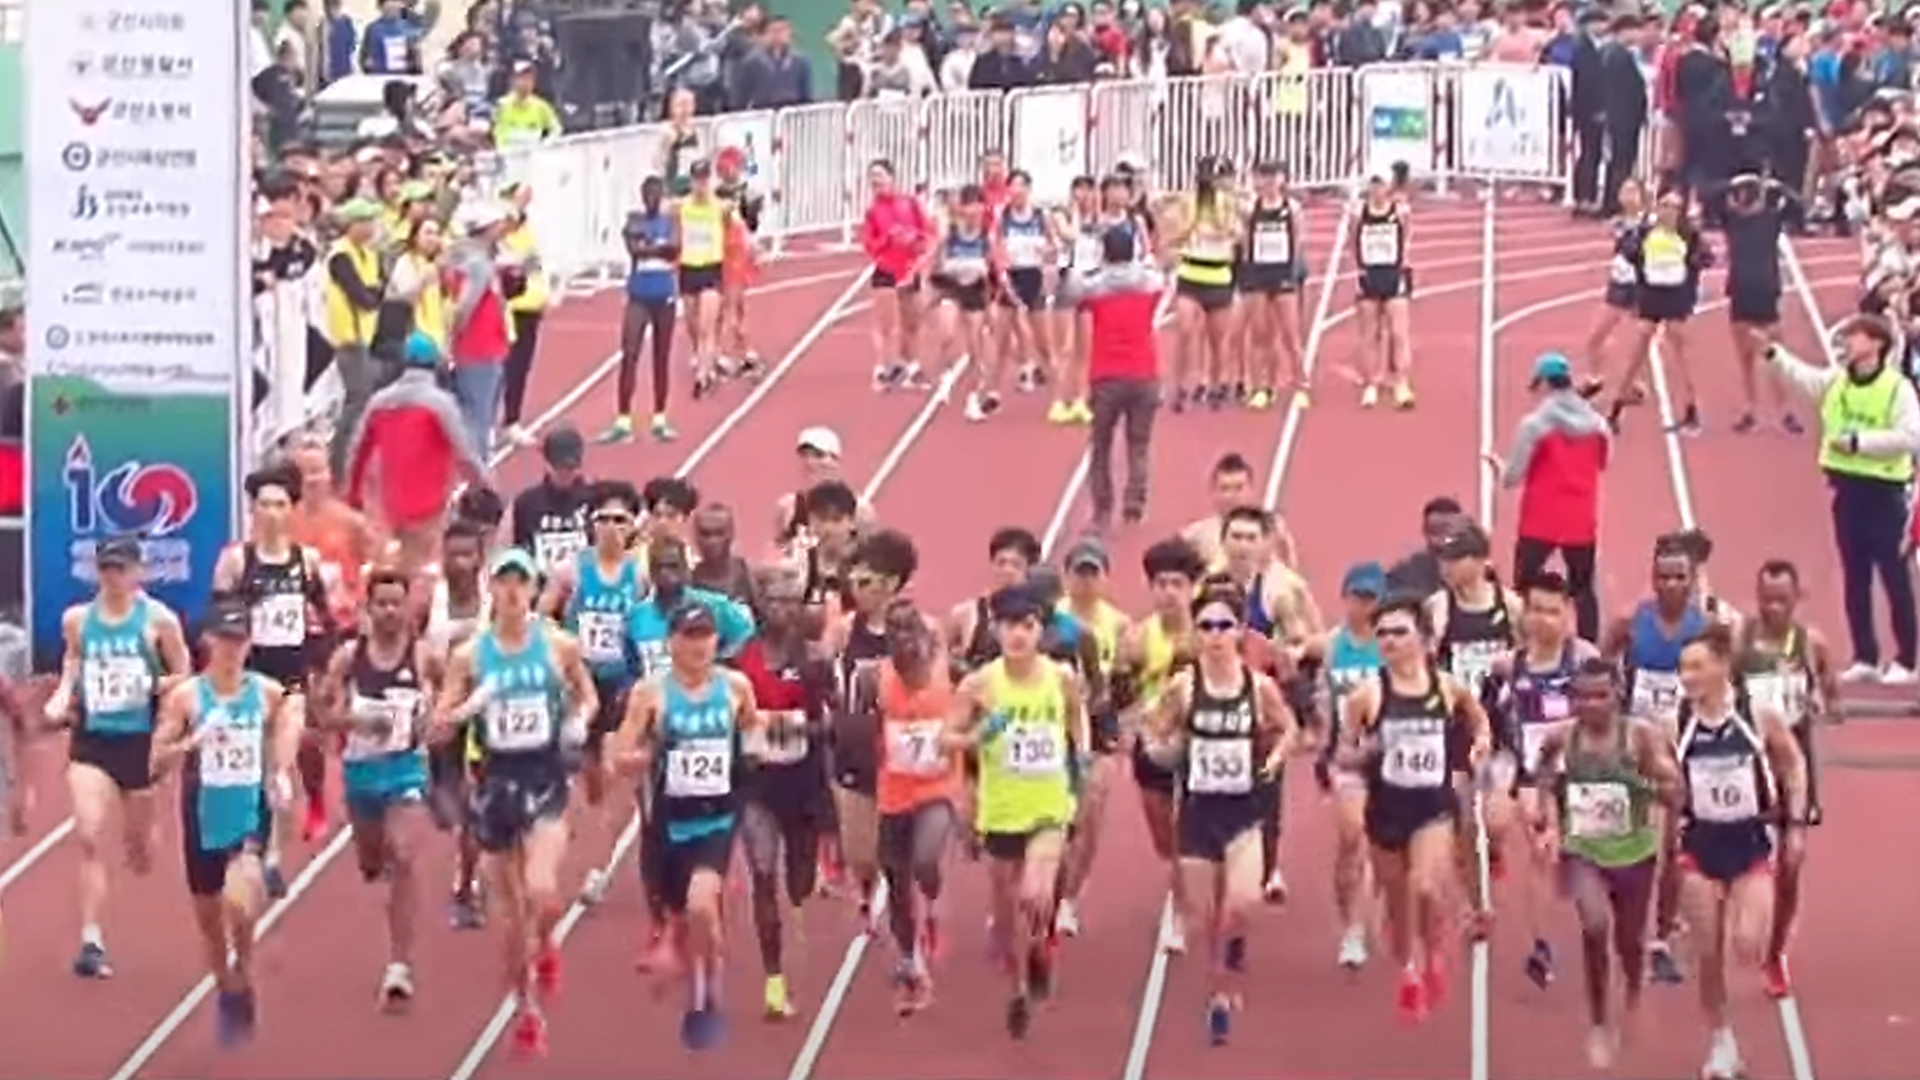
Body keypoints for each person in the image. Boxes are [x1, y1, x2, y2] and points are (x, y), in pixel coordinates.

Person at [434, 547, 599, 1059]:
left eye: (519, 582)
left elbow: (587, 696)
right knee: (508, 916)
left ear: (532, 589)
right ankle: (526, 1010)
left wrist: (578, 721)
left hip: (545, 774)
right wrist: (468, 706)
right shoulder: (470, 655)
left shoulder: (559, 647)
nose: (510, 592)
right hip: (494, 783)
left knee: (542, 891)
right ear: (492, 591)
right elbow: (438, 722)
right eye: (502, 582)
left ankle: (547, 943)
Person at [1141, 578, 1297, 1045]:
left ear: (1239, 630)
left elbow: (1290, 729)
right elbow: (1150, 729)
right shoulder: (1183, 689)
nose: (1213, 634)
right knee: (1206, 914)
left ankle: (1229, 967)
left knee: (1241, 902)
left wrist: (1272, 759)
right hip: (1197, 814)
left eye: (1223, 625)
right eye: (1205, 625)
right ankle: (1218, 992)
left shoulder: (1258, 687)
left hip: (1245, 811)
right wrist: (1164, 748)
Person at [149, 597, 298, 1047]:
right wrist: (190, 744)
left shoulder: (268, 693)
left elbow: (289, 721)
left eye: (240, 640)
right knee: (210, 919)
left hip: (248, 811)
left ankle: (245, 966)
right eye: (225, 639)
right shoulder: (187, 697)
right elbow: (155, 759)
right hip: (202, 813)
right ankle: (225, 984)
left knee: (241, 898)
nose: (232, 649)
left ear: (250, 644)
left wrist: (279, 772)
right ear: (208, 642)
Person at [614, 603, 763, 1050]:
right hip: (669, 824)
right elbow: (621, 756)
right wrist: (651, 753)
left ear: (717, 641)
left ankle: (706, 994)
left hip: (718, 817)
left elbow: (753, 735)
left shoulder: (736, 687)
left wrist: (760, 752)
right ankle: (691, 955)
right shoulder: (650, 694)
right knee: (690, 914)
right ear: (672, 641)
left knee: (703, 903)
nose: (699, 645)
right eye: (690, 636)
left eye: (706, 636)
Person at [1336, 593, 1490, 1020]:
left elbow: (1477, 716)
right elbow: (1343, 754)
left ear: (1422, 638)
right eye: (1382, 633)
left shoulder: (1446, 687)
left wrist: (1481, 743)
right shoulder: (1366, 696)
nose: (1388, 641)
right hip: (1386, 810)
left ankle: (1434, 948)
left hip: (1433, 805)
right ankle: (1408, 967)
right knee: (1399, 900)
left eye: (1399, 632)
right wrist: (1366, 750)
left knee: (1425, 885)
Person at [46, 534, 193, 978]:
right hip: (92, 741)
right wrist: (61, 696)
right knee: (89, 834)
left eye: (121, 569)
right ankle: (91, 940)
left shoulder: (158, 621)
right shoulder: (77, 620)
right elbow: (73, 663)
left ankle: (143, 841)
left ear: (137, 573)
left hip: (139, 742)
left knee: (140, 852)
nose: (112, 577)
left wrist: (156, 687)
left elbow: (184, 672)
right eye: (106, 569)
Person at [948, 584, 1087, 1040]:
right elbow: (946, 739)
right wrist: (978, 736)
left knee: (1035, 892)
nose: (1018, 635)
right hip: (1002, 808)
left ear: (1040, 630)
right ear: (996, 629)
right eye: (1009, 626)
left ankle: (1042, 947)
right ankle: (1018, 989)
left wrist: (1080, 754)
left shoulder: (1060, 676)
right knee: (1007, 912)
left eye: (1027, 626)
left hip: (1048, 804)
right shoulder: (980, 684)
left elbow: (1075, 716)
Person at [1671, 623, 1809, 1080]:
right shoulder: (1676, 720)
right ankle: (1721, 1041)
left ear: (1721, 667)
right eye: (1683, 667)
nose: (1687, 675)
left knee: (1749, 943)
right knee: (1708, 950)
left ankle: (1764, 959)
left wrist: (1795, 824)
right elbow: (1660, 779)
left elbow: (1792, 764)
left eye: (1696, 666)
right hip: (1699, 845)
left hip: (1749, 842)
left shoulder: (1757, 714)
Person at [1530, 658, 1678, 1068]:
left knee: (1629, 942)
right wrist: (1543, 810)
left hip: (1634, 852)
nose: (1592, 705)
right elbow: (1541, 770)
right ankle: (1597, 1021)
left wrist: (1644, 783)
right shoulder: (1562, 737)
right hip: (1584, 850)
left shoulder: (1640, 738)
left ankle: (1633, 991)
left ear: (1618, 696)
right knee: (1594, 925)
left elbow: (1674, 788)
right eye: (1582, 696)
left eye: (1601, 695)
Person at [1764, 315, 1920, 684]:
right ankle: (1865, 655)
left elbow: (1912, 436)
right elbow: (1807, 381)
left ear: (1877, 344)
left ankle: (1907, 659)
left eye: (1856, 336)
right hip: (1847, 491)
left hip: (1884, 493)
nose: (1847, 343)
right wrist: (1774, 354)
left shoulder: (1896, 389)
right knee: (1855, 576)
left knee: (1895, 577)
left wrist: (1859, 444)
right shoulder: (1838, 380)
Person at [313, 568, 437, 1006]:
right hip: (362, 773)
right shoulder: (349, 658)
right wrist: (356, 720)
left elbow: (442, 710)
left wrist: (429, 723)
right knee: (372, 861)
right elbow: (323, 718)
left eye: (396, 603)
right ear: (368, 608)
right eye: (380, 603)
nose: (389, 611)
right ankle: (372, 858)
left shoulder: (424, 658)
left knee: (403, 854)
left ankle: (399, 964)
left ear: (407, 608)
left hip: (405, 769)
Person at [214, 463, 338, 894]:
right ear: (253, 510)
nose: (271, 512)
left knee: (279, 769)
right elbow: (216, 625)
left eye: (279, 505)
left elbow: (327, 620)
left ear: (291, 511)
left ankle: (270, 858)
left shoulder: (307, 562)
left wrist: (323, 673)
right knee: (252, 769)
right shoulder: (235, 562)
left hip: (291, 682)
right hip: (248, 680)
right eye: (263, 504)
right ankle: (249, 839)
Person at [1601, 532, 1717, 985]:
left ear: (1691, 581)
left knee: (1671, 847)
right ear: (1652, 577)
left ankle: (1662, 937)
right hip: (1637, 743)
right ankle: (1626, 918)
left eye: (1679, 577)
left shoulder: (1704, 629)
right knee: (1633, 844)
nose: (1670, 584)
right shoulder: (1631, 622)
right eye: (1663, 576)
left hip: (1683, 747)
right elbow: (1600, 664)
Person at [733, 563, 835, 1020]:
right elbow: (730, 717)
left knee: (799, 882)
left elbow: (829, 724)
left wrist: (797, 729)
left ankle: (797, 908)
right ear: (762, 605)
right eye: (775, 601)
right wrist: (746, 738)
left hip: (803, 784)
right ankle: (774, 980)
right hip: (757, 786)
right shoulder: (740, 660)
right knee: (762, 874)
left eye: (793, 602)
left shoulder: (815, 661)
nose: (784, 610)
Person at [538, 481, 647, 905]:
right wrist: (560, 646)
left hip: (622, 684)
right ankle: (591, 845)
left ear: (633, 526)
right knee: (586, 777)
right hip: (581, 683)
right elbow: (543, 615)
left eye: (620, 520)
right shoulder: (573, 570)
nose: (610, 528)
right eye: (602, 519)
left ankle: (599, 865)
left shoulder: (639, 575)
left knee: (611, 771)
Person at [1738, 559, 1838, 997]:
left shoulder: (1810, 643)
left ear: (1798, 599)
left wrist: (1822, 702)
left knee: (1793, 860)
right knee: (1744, 863)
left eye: (1782, 600)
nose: (1773, 607)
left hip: (1794, 761)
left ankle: (1776, 951)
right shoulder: (1740, 639)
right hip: (1748, 761)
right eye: (1766, 599)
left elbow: (1831, 693)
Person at [1112, 537, 1207, 955]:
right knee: (1163, 836)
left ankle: (1181, 911)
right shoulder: (1135, 637)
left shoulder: (1208, 635)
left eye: (1177, 584)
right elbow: (1118, 698)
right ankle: (1183, 885)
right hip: (1151, 745)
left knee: (1190, 831)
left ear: (1192, 589)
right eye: (1162, 584)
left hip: (1200, 743)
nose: (1169, 592)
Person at [866, 595, 958, 1014]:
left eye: (911, 630)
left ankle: (934, 904)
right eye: (895, 631)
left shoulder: (949, 673)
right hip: (893, 792)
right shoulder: (876, 680)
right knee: (897, 881)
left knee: (924, 860)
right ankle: (910, 957)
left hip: (938, 787)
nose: (904, 640)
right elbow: (865, 733)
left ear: (926, 636)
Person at [1491, 353, 1610, 641]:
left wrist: (1498, 466)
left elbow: (1512, 477)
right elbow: (1603, 462)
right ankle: (1589, 647)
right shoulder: (1598, 425)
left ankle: (1521, 643)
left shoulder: (1534, 425)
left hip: (1539, 519)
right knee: (1583, 590)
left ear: (1544, 383)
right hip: (1581, 519)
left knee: (1523, 587)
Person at [346, 332, 488, 574]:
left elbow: (357, 450)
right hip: (430, 500)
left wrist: (354, 495)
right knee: (416, 564)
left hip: (390, 500)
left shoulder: (379, 402)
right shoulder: (440, 404)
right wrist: (480, 485)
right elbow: (464, 451)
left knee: (398, 557)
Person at [1079, 225, 1164, 531]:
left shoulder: (1095, 288)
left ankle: (1102, 510)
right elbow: (1159, 278)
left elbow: (1075, 296)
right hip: (1144, 373)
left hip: (1106, 375)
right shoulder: (1149, 283)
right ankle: (1134, 505)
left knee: (1101, 445)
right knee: (1138, 445)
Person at [605, 174, 681, 444]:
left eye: (655, 195)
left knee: (661, 358)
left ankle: (659, 418)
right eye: (647, 194)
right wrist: (655, 247)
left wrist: (649, 246)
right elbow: (633, 249)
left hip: (664, 297)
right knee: (630, 354)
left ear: (660, 197)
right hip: (638, 296)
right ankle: (623, 419)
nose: (651, 199)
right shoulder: (633, 221)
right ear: (642, 196)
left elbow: (674, 249)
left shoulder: (670, 222)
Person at [861, 159, 932, 393]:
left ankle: (909, 366)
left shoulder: (910, 204)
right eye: (872, 176)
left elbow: (927, 233)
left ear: (891, 178)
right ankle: (881, 369)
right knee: (886, 323)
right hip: (885, 269)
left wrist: (913, 240)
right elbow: (869, 244)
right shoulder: (872, 212)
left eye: (880, 175)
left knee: (912, 322)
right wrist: (888, 239)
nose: (876, 180)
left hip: (909, 268)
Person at [1352, 173, 1414, 409]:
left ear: (1388, 187)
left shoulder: (1400, 212)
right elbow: (1352, 240)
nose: (1377, 189)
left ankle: (1401, 383)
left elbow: (1407, 236)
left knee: (1399, 333)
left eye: (1381, 185)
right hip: (1368, 275)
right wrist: (1361, 268)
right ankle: (1371, 384)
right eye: (1373, 185)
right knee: (1369, 335)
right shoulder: (1359, 214)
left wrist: (1401, 265)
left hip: (1394, 275)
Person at [510, 425, 596, 578]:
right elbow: (520, 551)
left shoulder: (593, 499)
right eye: (559, 467)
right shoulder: (527, 503)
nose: (565, 474)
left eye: (571, 468)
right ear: (547, 464)